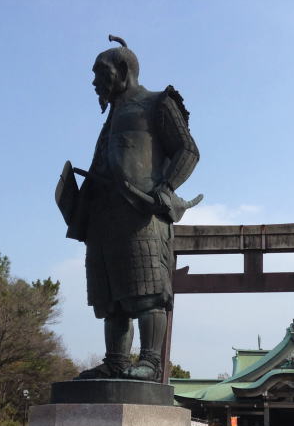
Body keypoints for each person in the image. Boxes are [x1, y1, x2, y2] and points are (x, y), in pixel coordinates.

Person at [60, 35, 201, 382]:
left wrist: (165, 189)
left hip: (142, 215)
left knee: (146, 293)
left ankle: (151, 360)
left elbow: (188, 150)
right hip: (103, 215)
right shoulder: (112, 116)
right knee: (112, 299)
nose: (94, 81)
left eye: (99, 72)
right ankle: (116, 361)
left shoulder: (156, 103)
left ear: (122, 69)